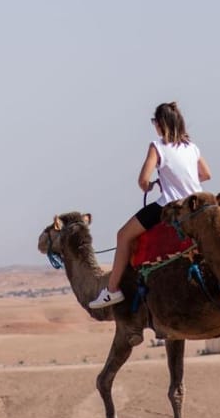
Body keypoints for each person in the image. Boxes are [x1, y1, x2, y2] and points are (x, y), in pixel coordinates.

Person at [89, 102, 212, 308]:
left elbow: (142, 181)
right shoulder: (192, 147)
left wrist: (151, 185)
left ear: (160, 124)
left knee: (123, 235)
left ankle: (112, 290)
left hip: (170, 205)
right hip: (197, 204)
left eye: (154, 121)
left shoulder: (157, 146)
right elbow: (206, 175)